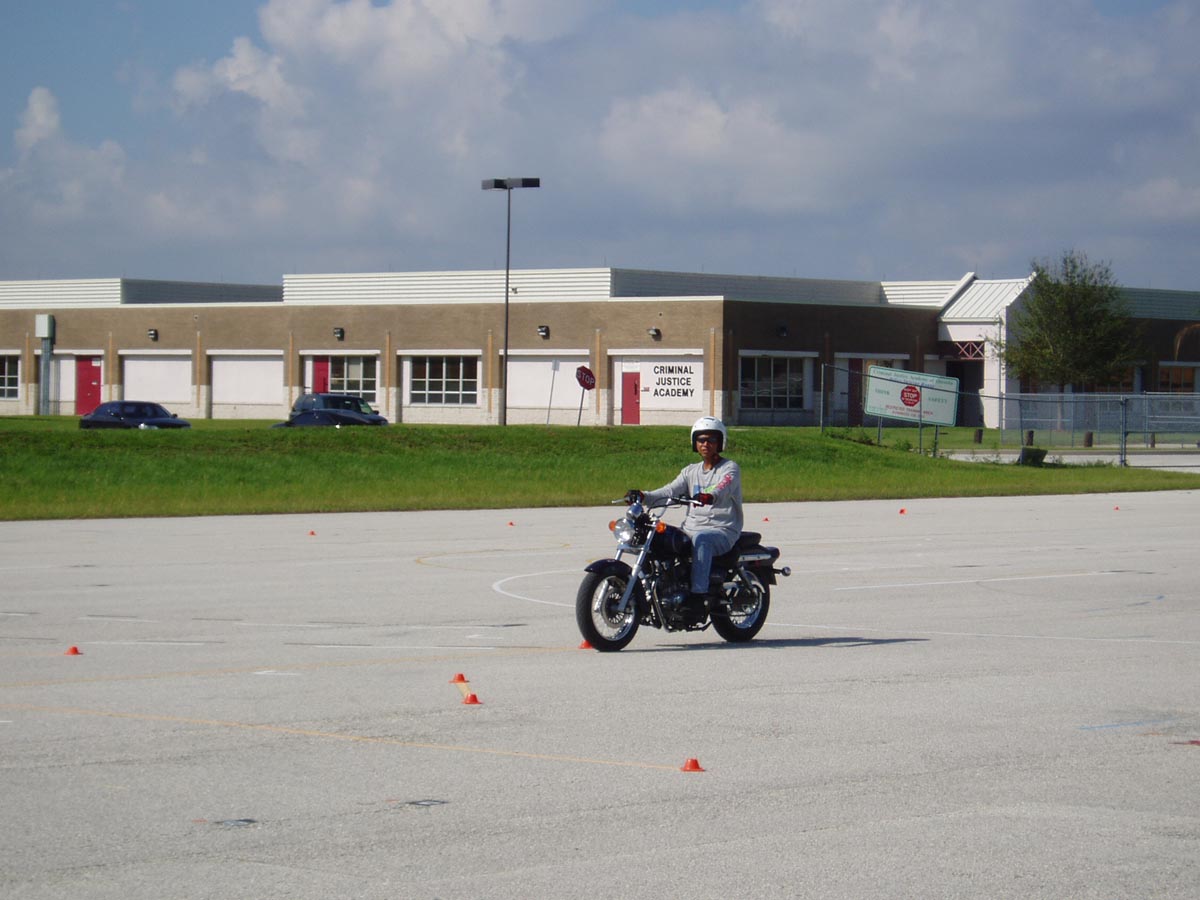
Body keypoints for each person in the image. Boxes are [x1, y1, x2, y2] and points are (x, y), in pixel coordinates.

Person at [627, 416, 743, 603]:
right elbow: (669, 491)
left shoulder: (730, 468)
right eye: (701, 440)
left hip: (722, 530)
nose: (706, 444)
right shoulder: (690, 471)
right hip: (690, 529)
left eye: (711, 440)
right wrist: (643, 496)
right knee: (658, 536)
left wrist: (710, 496)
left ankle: (698, 596)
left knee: (702, 539)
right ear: (695, 443)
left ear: (720, 442)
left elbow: (723, 486)